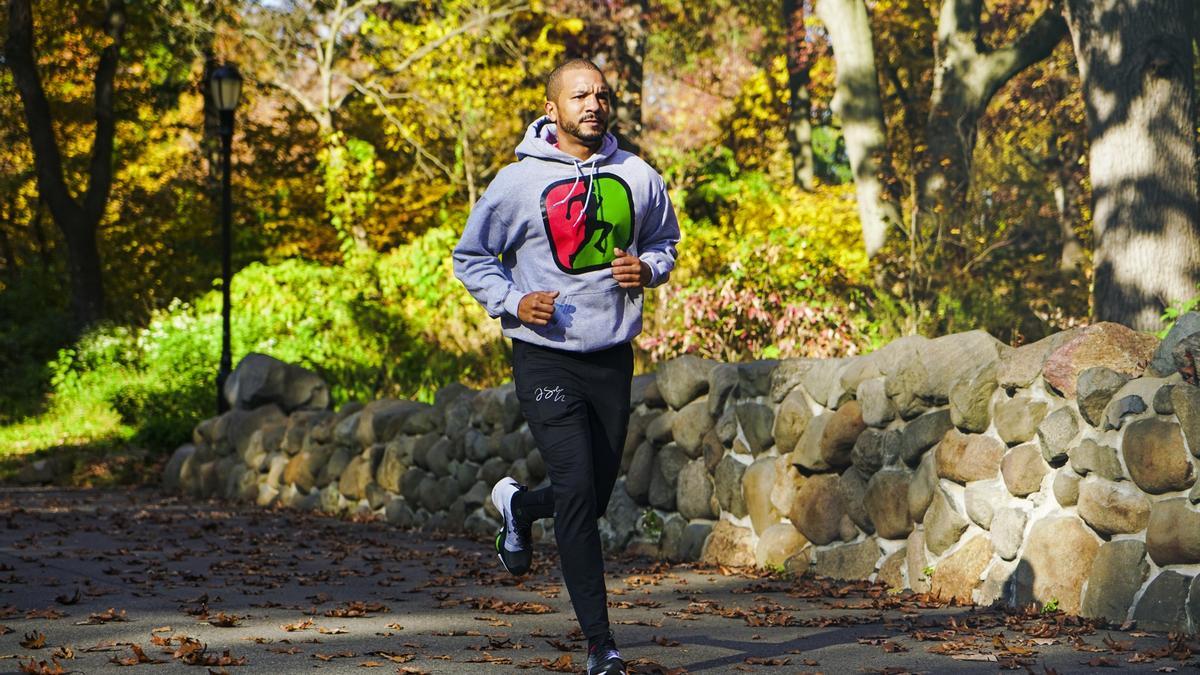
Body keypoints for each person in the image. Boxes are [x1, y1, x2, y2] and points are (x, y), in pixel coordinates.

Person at [452, 58, 680, 675]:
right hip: (543, 356)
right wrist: (512, 301)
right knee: (578, 488)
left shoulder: (638, 176)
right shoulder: (516, 184)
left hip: (610, 356)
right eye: (580, 95)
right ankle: (602, 646)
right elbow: (471, 257)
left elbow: (666, 243)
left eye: (602, 95)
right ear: (552, 107)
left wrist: (650, 269)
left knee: (593, 495)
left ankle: (519, 509)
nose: (594, 103)